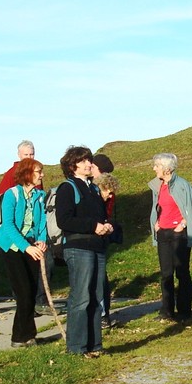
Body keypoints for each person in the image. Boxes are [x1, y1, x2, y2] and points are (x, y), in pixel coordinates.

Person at [55, 146, 113, 357]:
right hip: (78, 248)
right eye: (85, 160)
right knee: (81, 298)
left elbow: (99, 217)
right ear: (73, 166)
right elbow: (65, 220)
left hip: (96, 248)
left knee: (96, 296)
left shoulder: (94, 189)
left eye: (89, 160)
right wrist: (93, 226)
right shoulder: (67, 188)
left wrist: (106, 225)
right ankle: (77, 347)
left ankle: (95, 345)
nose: (90, 164)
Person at [0, 158, 47, 347]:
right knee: (23, 292)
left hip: (31, 245)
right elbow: (8, 225)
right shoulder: (11, 195)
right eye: (38, 172)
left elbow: (41, 223)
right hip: (13, 247)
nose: (42, 175)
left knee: (31, 290)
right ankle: (19, 337)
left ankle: (29, 335)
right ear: (28, 174)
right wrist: (26, 247)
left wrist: (42, 241)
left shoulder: (39, 196)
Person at [148, 153, 192, 322]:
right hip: (163, 233)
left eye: (157, 166)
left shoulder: (182, 185)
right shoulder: (157, 186)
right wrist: (157, 223)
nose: (154, 169)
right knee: (166, 273)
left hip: (179, 234)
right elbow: (157, 207)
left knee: (182, 272)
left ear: (166, 168)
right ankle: (166, 311)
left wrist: (183, 223)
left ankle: (184, 312)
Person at [95, 170, 121, 327]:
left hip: (101, 241)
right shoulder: (94, 201)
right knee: (98, 279)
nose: (111, 196)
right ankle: (101, 314)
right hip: (93, 243)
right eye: (109, 192)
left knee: (101, 278)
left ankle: (103, 313)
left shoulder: (105, 201)